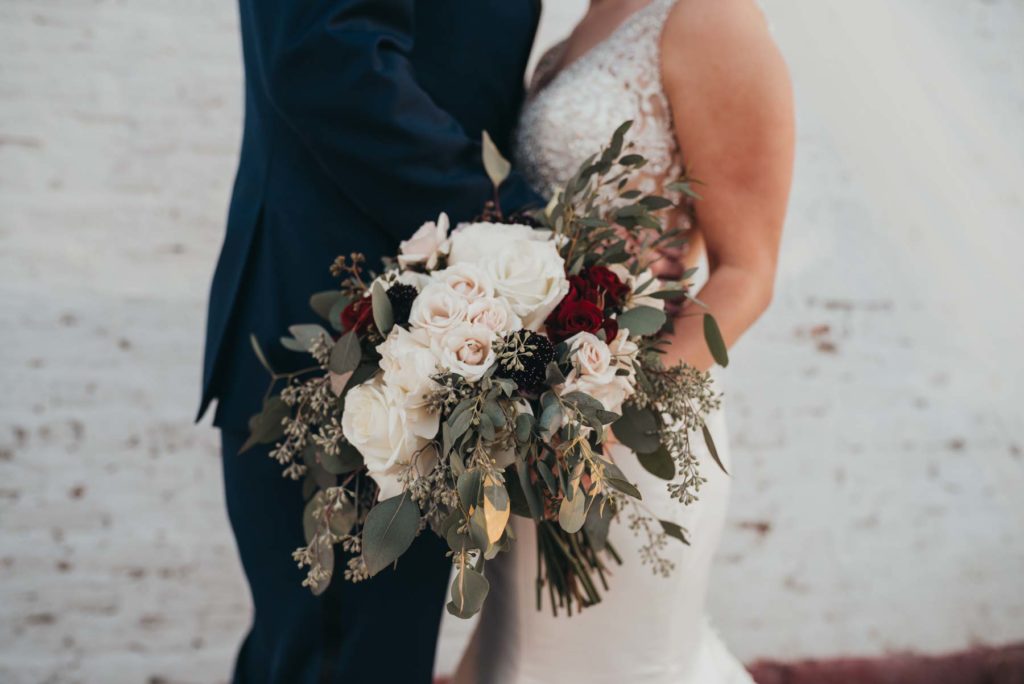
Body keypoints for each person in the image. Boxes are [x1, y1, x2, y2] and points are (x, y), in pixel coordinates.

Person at [197, 1, 543, 681]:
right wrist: (515, 231)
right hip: (345, 341)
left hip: (416, 338)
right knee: (337, 659)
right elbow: (326, 57)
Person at [456, 0, 794, 681]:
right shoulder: (586, 19)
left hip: (628, 442)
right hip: (538, 428)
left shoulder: (712, 18)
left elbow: (747, 272)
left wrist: (609, 414)